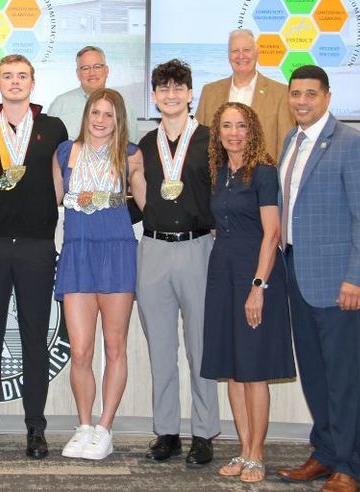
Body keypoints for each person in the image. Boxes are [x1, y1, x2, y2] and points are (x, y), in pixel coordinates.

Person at [274, 65, 360, 492]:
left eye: (310, 94)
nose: (301, 101)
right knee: (315, 374)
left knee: (342, 378)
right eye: (295, 93)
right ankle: (324, 452)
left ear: (328, 96)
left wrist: (358, 278)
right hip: (297, 275)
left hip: (339, 285)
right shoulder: (291, 141)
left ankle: (348, 468)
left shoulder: (353, 144)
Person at [0, 54, 68, 460]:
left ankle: (35, 429)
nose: (14, 82)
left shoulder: (52, 127)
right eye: (7, 76)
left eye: (21, 76)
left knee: (33, 340)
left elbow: (61, 176)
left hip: (36, 245)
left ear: (32, 81)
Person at [200, 102, 295, 483]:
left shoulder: (264, 173)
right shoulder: (219, 173)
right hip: (221, 273)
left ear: (251, 130)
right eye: (226, 126)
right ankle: (242, 449)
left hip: (255, 276)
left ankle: (258, 454)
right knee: (233, 371)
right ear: (218, 133)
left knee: (254, 371)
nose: (234, 132)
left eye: (241, 125)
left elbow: (272, 233)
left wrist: (258, 286)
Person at [133, 59, 220, 466]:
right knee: (161, 348)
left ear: (190, 94)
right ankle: (167, 431)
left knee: (201, 347)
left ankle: (203, 433)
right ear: (154, 96)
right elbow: (136, 193)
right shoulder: (145, 144)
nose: (170, 95)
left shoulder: (210, 139)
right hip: (152, 249)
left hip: (197, 247)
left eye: (177, 88)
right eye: (163, 89)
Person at [53, 88, 144, 461]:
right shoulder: (63, 152)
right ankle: (85, 425)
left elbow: (146, 203)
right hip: (78, 252)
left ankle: (105, 427)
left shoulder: (132, 155)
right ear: (86, 114)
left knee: (115, 346)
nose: (101, 120)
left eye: (109, 114)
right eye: (96, 112)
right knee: (80, 351)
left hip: (117, 252)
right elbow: (55, 202)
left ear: (118, 119)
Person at [195, 30, 293, 157]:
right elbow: (198, 142)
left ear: (257, 53)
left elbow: (286, 148)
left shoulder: (281, 93)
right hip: (218, 175)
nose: (241, 56)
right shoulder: (209, 93)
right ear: (229, 56)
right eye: (235, 51)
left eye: (246, 50)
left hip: (263, 174)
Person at [47, 46, 138, 139]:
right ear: (78, 73)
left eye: (97, 67)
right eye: (85, 68)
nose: (92, 73)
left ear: (106, 70)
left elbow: (131, 147)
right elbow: (49, 145)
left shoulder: (123, 106)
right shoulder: (60, 104)